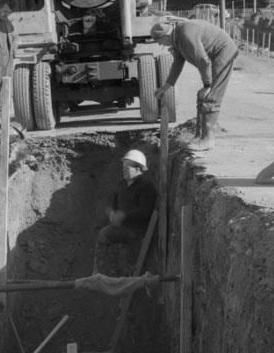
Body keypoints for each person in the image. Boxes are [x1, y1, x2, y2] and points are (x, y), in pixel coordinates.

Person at [151, 20, 239, 152]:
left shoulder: (186, 32)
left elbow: (202, 59)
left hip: (223, 52)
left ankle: (208, 140)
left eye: (159, 42)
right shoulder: (177, 41)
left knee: (211, 96)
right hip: (214, 56)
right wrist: (165, 87)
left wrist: (207, 85)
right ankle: (199, 136)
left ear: (165, 36)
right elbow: (177, 66)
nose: (159, 44)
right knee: (201, 95)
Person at [97, 149, 157, 247]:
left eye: (127, 167)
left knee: (103, 235)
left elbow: (145, 211)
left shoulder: (146, 186)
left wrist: (125, 216)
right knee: (105, 234)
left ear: (138, 168)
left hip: (136, 230)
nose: (123, 169)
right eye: (123, 167)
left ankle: (107, 261)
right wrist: (112, 212)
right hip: (122, 226)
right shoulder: (122, 184)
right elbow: (114, 200)